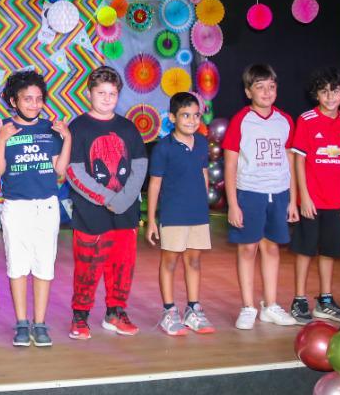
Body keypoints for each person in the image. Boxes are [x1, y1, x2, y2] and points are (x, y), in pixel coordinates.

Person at [0, 70, 71, 348]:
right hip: (15, 207)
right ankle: (22, 322)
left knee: (44, 266)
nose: (34, 104)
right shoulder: (2, 127)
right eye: (27, 99)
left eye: (38, 99)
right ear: (14, 101)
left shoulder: (51, 129)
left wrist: (67, 138)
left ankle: (40, 322)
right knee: (17, 266)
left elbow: (60, 172)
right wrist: (1, 140)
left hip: (47, 206)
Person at [64, 66, 147, 340]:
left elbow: (139, 165)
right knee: (88, 267)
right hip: (91, 213)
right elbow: (74, 171)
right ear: (89, 93)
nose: (107, 98)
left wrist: (122, 200)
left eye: (112, 93)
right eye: (101, 93)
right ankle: (80, 315)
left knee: (122, 265)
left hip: (124, 212)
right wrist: (107, 197)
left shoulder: (127, 127)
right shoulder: (79, 127)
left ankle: (115, 311)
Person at [222, 63, 299, 330]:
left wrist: (292, 199)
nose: (266, 92)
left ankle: (270, 304)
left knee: (271, 248)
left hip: (277, 194)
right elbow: (230, 164)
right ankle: (248, 306)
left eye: (271, 86)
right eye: (260, 87)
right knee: (247, 249)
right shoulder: (241, 120)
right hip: (249, 193)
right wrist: (233, 203)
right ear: (248, 91)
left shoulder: (285, 120)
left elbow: (291, 163)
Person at [288, 67, 340, 323]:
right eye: (324, 91)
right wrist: (303, 197)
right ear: (316, 94)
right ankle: (299, 299)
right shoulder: (306, 120)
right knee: (305, 250)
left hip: (335, 201)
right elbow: (298, 161)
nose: (330, 96)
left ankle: (325, 300)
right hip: (312, 201)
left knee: (329, 250)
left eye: (335, 91)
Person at [145, 92, 215, 336]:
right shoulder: (164, 148)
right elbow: (154, 184)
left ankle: (193, 309)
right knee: (170, 262)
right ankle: (169, 311)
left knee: (194, 261)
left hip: (197, 214)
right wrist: (152, 220)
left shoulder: (202, 143)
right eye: (185, 115)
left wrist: (202, 204)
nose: (192, 121)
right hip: (173, 215)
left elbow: (203, 174)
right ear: (173, 117)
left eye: (196, 115)